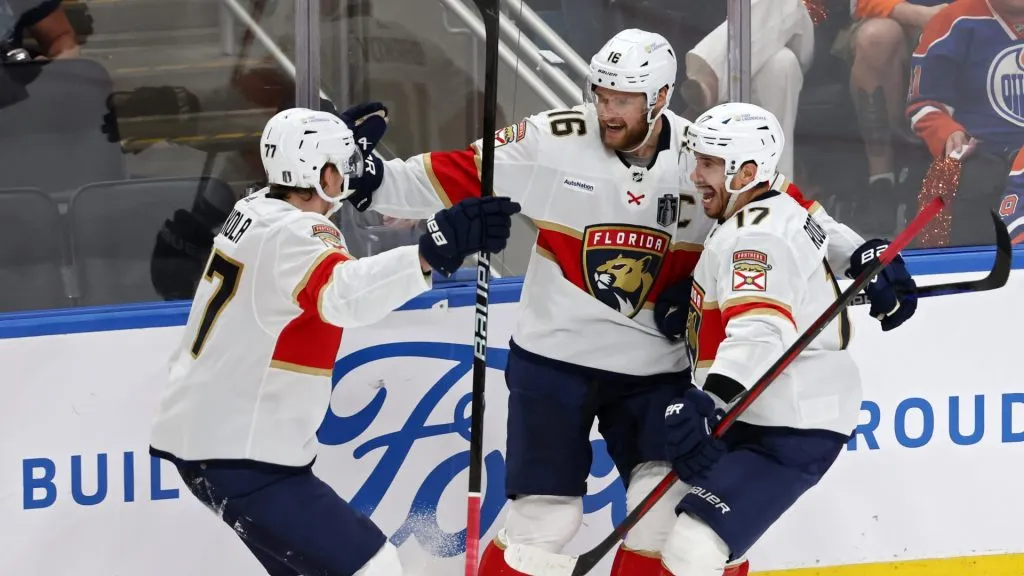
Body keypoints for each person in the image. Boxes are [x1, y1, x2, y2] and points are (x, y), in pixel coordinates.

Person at [345, 29, 916, 575]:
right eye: (602, 93)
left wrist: (861, 254)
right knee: (545, 521)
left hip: (655, 374)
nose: (608, 110)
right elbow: (452, 175)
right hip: (554, 363)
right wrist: (366, 177)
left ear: (663, 97)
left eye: (625, 98)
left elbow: (787, 211)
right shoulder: (552, 140)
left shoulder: (703, 155)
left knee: (664, 514)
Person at [148, 107, 520, 576]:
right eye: (343, 166)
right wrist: (432, 251)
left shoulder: (254, 210)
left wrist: (326, 149)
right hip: (243, 456)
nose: (352, 174)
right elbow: (342, 295)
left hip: (217, 448)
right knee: (374, 567)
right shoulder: (300, 233)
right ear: (322, 172)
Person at [652, 102, 917, 576]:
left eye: (709, 164)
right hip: (760, 416)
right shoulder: (773, 203)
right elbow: (815, 233)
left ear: (745, 171)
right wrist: (861, 253)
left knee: (694, 546)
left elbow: (760, 330)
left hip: (787, 427)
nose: (696, 176)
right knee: (692, 538)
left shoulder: (755, 237)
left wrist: (709, 402)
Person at [905, 0, 1024, 245]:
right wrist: (946, 132)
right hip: (980, 153)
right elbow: (924, 102)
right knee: (966, 184)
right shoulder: (952, 21)